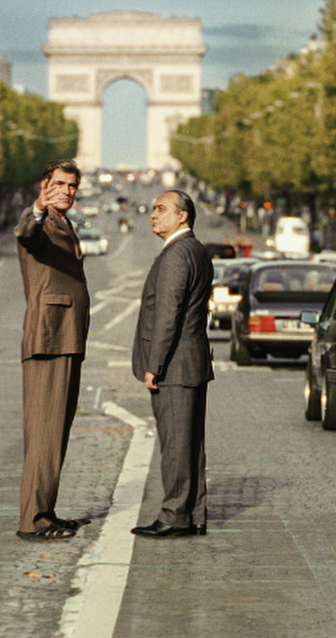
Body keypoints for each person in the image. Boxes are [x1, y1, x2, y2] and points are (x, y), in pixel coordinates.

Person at [14, 158, 90, 539]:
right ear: (44, 186)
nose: (67, 191)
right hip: (49, 337)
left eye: (73, 185)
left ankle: (46, 510)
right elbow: (27, 233)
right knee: (44, 432)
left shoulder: (65, 222)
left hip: (65, 337)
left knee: (55, 432)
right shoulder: (40, 220)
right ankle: (34, 520)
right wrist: (39, 209)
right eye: (59, 184)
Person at [131, 189, 213, 538]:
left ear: (183, 216)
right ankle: (193, 513)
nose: (153, 215)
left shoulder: (176, 255)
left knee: (176, 446)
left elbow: (168, 314)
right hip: (191, 361)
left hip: (175, 366)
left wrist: (155, 365)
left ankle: (174, 515)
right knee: (190, 445)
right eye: (153, 209)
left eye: (162, 209)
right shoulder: (196, 250)